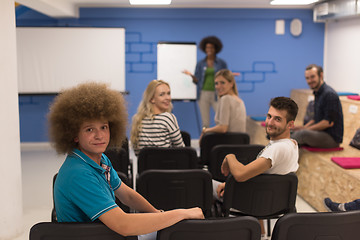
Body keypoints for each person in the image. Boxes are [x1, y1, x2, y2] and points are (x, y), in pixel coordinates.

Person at [49, 82, 204, 238]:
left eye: (104, 127)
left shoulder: (100, 159)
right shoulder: (78, 173)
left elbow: (127, 196)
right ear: (74, 135)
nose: (99, 135)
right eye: (90, 129)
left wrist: (158, 213)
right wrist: (181, 214)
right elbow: (123, 225)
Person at [214, 96, 299, 199]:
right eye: (269, 116)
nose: (270, 122)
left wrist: (229, 156)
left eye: (277, 119)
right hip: (268, 199)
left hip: (251, 203)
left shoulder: (277, 149)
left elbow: (240, 174)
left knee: (201, 184)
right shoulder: (293, 144)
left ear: (290, 125)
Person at [291, 64, 344, 148]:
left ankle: (276, 150)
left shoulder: (329, 94)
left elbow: (327, 123)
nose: (309, 81)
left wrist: (304, 130)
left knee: (302, 134)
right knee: (292, 131)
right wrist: (302, 127)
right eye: (307, 78)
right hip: (319, 133)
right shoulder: (317, 93)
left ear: (321, 75)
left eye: (312, 77)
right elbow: (315, 119)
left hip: (331, 139)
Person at [183, 36, 228, 129]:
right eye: (207, 47)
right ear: (204, 48)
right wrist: (192, 76)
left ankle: (221, 140)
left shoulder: (221, 63)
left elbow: (225, 78)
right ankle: (205, 140)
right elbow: (197, 80)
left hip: (218, 94)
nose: (209, 49)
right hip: (203, 94)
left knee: (221, 119)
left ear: (216, 48)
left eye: (211, 47)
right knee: (205, 121)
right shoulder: (200, 63)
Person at [130, 80, 184, 156]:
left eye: (168, 93)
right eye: (162, 95)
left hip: (145, 167)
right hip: (167, 167)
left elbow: (138, 153)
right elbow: (181, 149)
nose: (167, 98)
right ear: (152, 99)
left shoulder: (137, 119)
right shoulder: (168, 118)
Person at [200, 69, 246, 138]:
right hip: (238, 144)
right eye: (216, 83)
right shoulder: (240, 101)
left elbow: (223, 128)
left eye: (222, 83)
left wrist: (205, 130)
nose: (218, 86)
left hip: (227, 144)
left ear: (231, 84)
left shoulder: (226, 99)